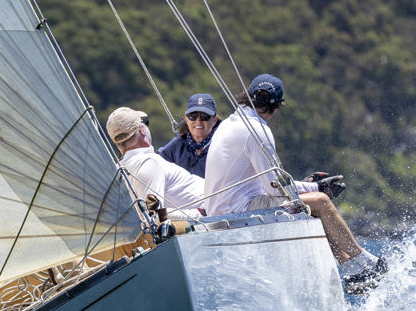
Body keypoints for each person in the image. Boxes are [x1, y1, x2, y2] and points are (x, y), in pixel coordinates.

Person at [203, 74, 387, 294]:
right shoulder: (256, 130)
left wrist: (309, 186)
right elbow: (277, 187)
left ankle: (351, 268)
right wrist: (316, 189)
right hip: (235, 213)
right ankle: (366, 262)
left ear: (248, 98)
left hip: (222, 209)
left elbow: (266, 183)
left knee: (311, 204)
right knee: (320, 202)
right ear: (276, 107)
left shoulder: (230, 123)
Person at [106, 107, 205, 221]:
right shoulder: (148, 163)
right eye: (145, 123)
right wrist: (200, 213)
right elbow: (153, 215)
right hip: (215, 218)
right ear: (142, 130)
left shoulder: (119, 170)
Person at [157, 93, 220, 177]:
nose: (198, 120)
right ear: (186, 118)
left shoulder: (222, 145)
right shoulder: (178, 144)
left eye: (204, 116)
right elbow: (155, 163)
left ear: (215, 120)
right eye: (193, 116)